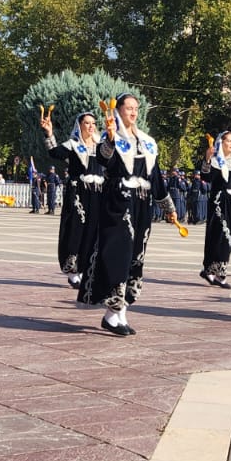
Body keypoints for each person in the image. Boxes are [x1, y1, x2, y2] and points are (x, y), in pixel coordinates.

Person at [80, 93, 175, 336]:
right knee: (118, 255)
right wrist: (110, 139)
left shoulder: (147, 142)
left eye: (135, 108)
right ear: (119, 111)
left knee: (135, 256)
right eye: (128, 108)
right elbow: (104, 159)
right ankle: (113, 313)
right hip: (118, 202)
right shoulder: (112, 136)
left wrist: (168, 208)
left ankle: (120, 311)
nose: (132, 112)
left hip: (142, 204)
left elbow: (155, 178)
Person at [45, 111, 105, 288]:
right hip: (78, 192)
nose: (91, 126)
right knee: (75, 228)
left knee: (93, 231)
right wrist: (49, 133)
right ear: (79, 126)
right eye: (87, 123)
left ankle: (86, 269)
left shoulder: (101, 146)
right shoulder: (72, 145)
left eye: (93, 123)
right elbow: (55, 153)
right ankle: (72, 270)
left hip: (97, 194)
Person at [199, 131, 231, 289]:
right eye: (229, 141)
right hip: (220, 202)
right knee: (220, 236)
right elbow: (205, 177)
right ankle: (216, 272)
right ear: (221, 142)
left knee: (230, 238)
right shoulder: (215, 161)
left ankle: (215, 270)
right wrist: (207, 158)